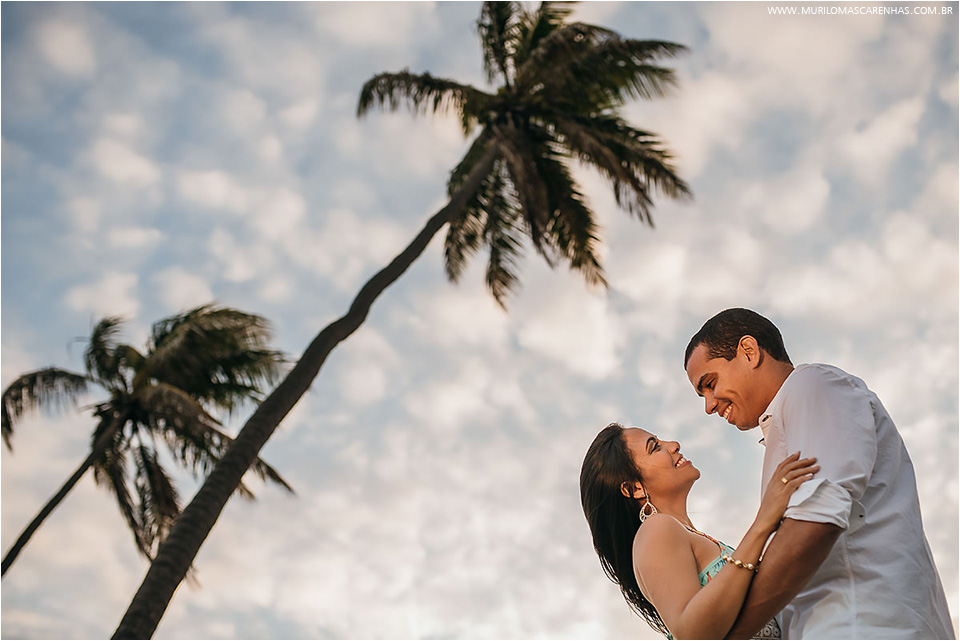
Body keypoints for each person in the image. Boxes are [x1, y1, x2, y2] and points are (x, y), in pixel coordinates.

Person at [684, 307, 954, 639]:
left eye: (710, 384)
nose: (709, 405)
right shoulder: (785, 421)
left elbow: (815, 524)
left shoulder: (811, 387)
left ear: (749, 352)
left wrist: (734, 634)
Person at [580, 421, 819, 639]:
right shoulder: (657, 529)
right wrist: (764, 520)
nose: (673, 445)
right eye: (655, 447)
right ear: (634, 489)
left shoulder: (684, 535)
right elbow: (692, 635)